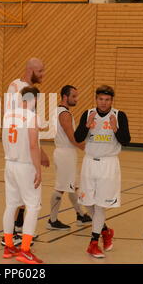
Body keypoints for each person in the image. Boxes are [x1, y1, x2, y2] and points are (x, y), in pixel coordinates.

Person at [74, 85, 130, 258]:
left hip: (108, 164)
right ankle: (105, 230)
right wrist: (86, 125)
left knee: (99, 206)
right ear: (96, 99)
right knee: (87, 202)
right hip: (89, 163)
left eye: (107, 100)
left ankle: (93, 243)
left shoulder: (119, 116)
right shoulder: (88, 113)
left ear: (111, 101)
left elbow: (126, 141)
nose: (103, 103)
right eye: (100, 99)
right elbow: (77, 138)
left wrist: (115, 129)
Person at [1, 57, 49, 247]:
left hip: (14, 156)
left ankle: (16, 232)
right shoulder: (16, 87)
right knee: (30, 202)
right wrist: (38, 153)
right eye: (41, 71)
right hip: (22, 156)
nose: (43, 74)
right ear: (31, 70)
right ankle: (14, 237)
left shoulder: (23, 94)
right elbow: (25, 132)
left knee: (15, 201)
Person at [2, 86, 44, 264]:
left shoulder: (8, 115)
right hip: (25, 166)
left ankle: (9, 245)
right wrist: (38, 169)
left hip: (9, 164)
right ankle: (25, 250)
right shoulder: (32, 117)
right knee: (33, 206)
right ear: (34, 99)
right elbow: (33, 145)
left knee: (11, 205)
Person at [47, 85, 92, 231]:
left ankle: (80, 215)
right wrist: (90, 149)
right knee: (61, 187)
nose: (76, 99)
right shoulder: (64, 114)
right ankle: (52, 220)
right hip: (65, 152)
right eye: (73, 96)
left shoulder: (59, 111)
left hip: (66, 152)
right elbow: (72, 138)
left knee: (73, 185)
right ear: (65, 97)